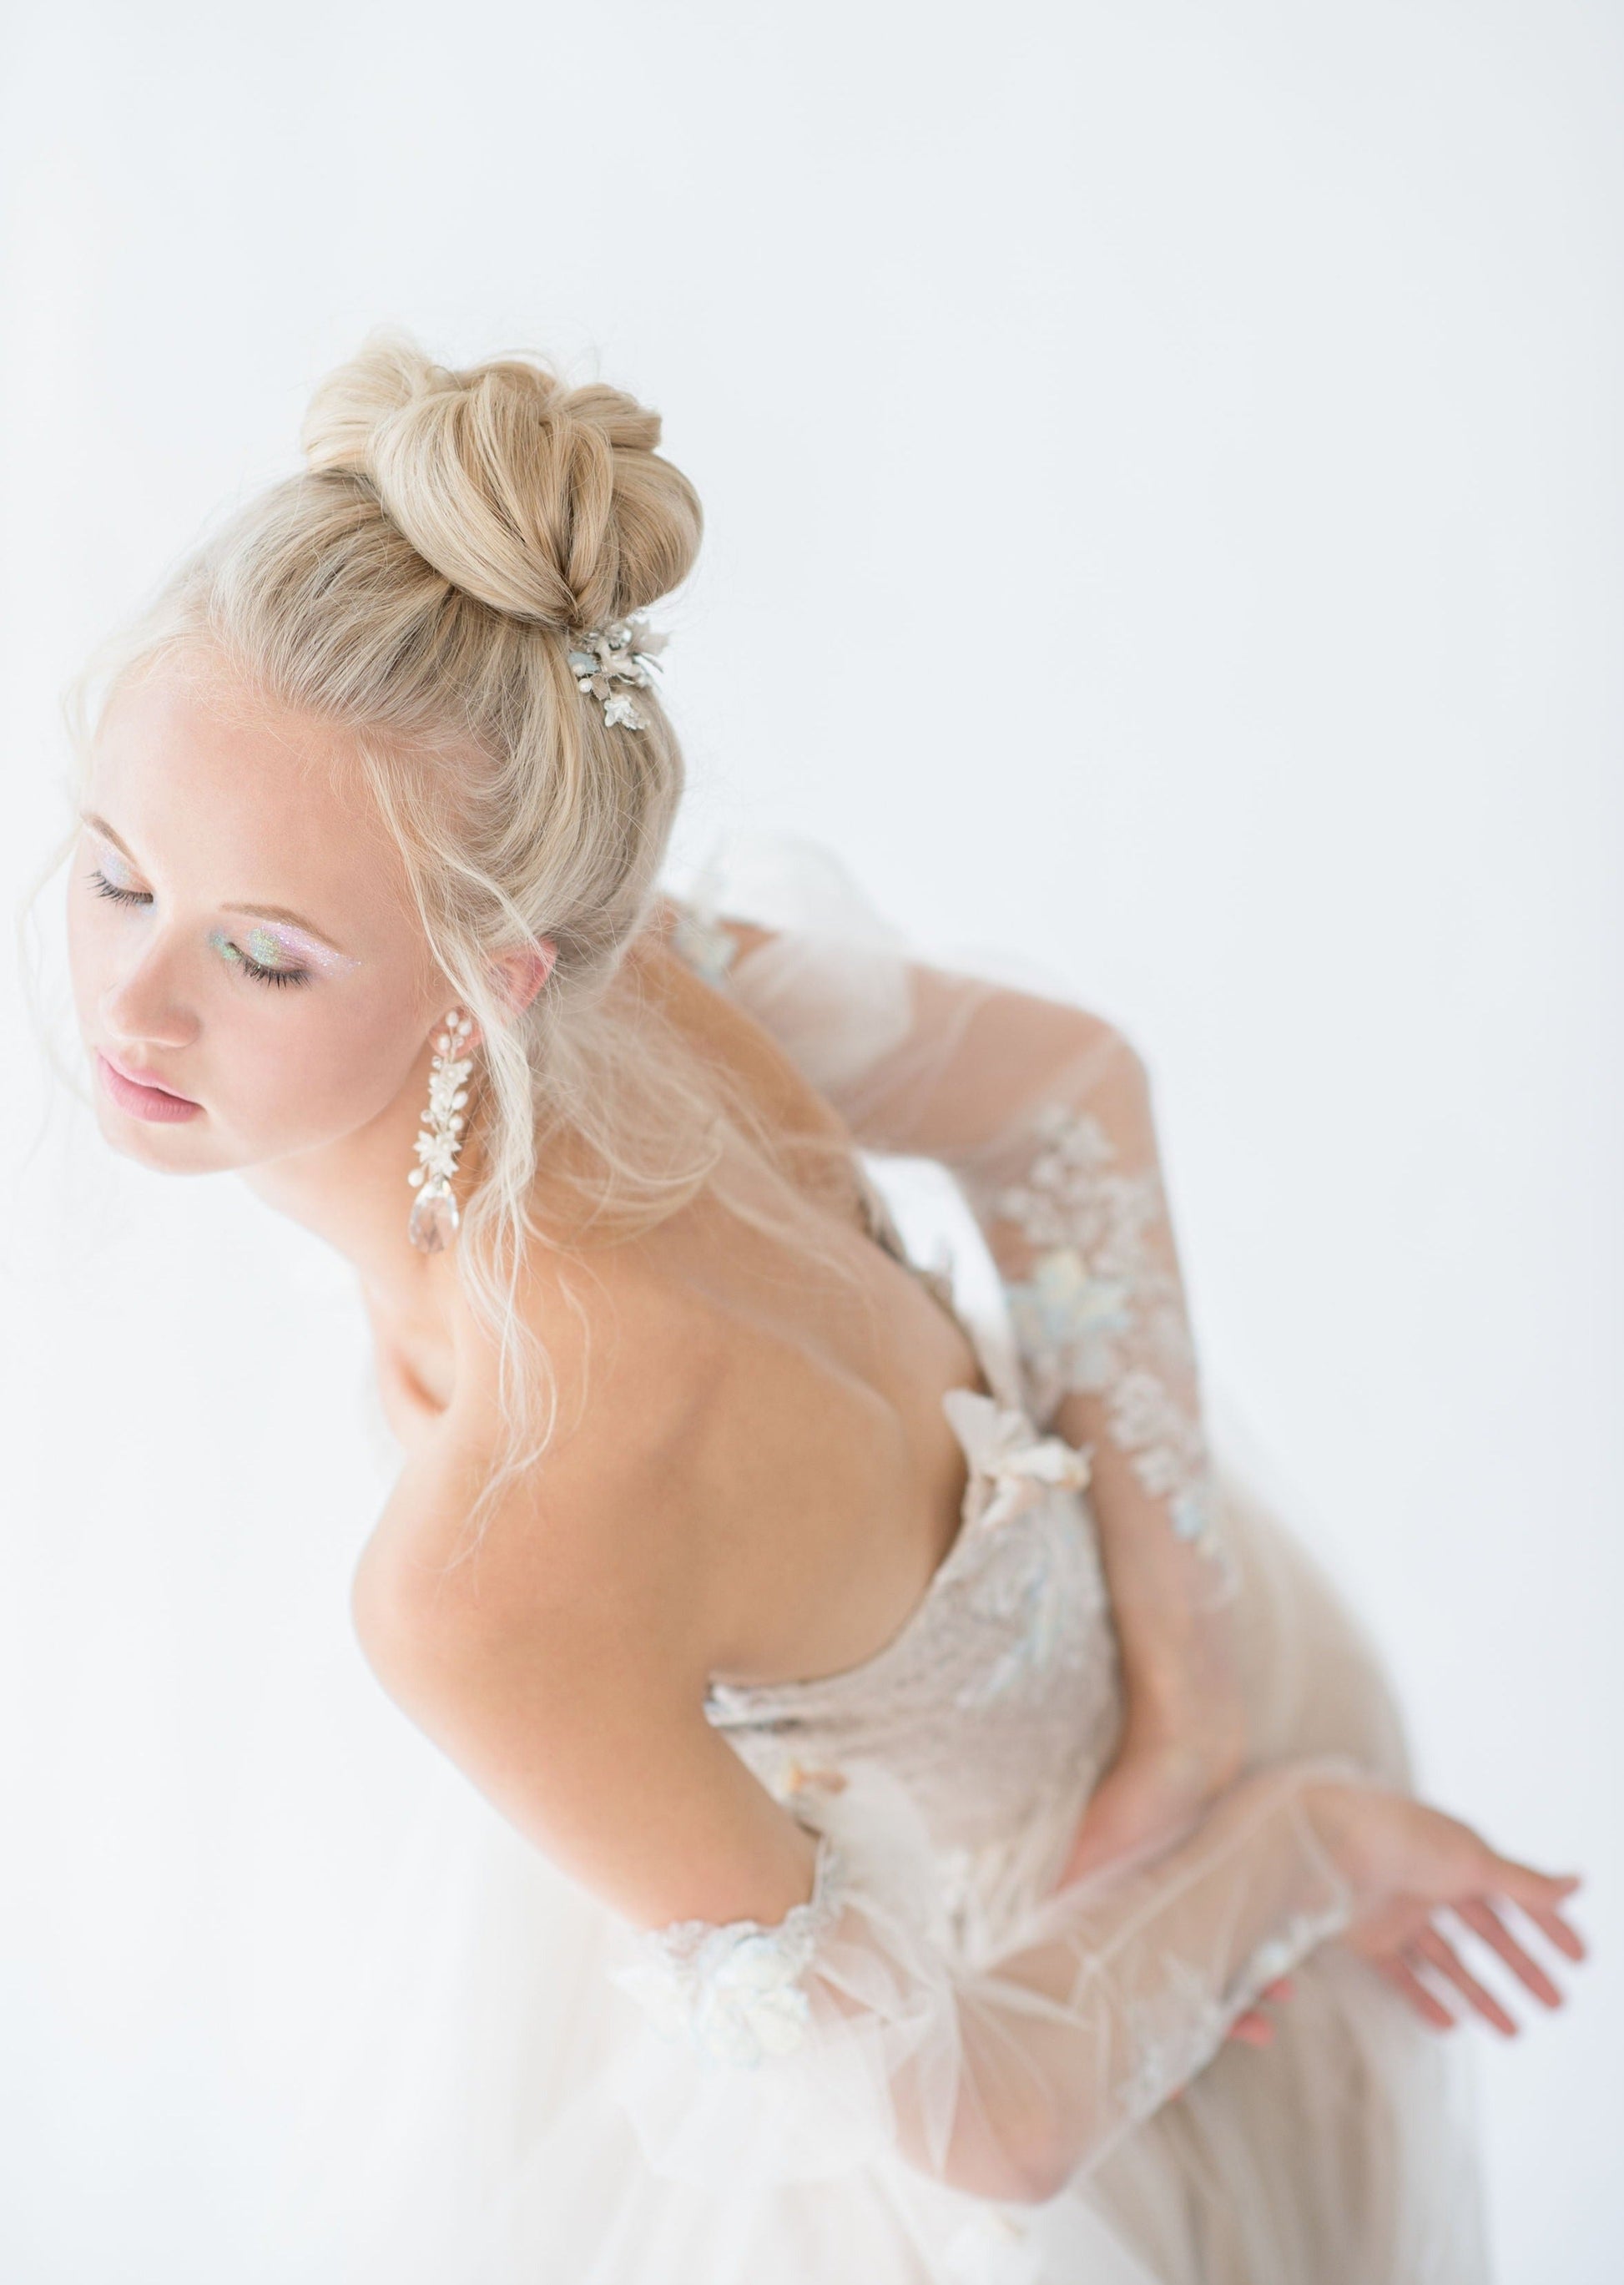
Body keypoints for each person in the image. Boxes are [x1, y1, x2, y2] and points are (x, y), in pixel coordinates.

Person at [54, 329, 1586, 2284]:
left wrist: (1266, 1839)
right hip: (1165, 1662)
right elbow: (1063, 1091)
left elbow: (1000, 2131)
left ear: (494, 979)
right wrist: (1184, 1699)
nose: (132, 1008)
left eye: (262, 956)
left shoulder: (487, 1567)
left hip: (1063, 1978)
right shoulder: (647, 981)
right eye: (113, 872)